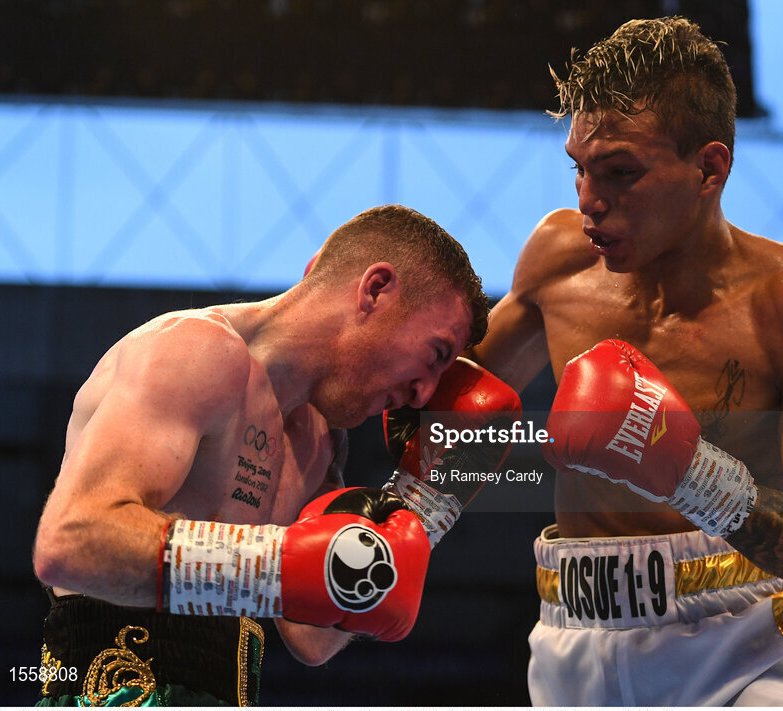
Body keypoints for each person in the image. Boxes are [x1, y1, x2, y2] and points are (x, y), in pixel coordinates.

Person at [466, 17, 783, 706]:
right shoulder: (559, 260)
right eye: (579, 167)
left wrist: (691, 473)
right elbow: (455, 408)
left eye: (621, 172)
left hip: (741, 644)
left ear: (710, 169)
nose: (589, 200)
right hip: (574, 634)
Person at [32, 204, 490, 706]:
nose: (425, 394)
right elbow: (70, 544)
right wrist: (276, 567)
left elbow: (313, 635)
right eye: (437, 354)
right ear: (375, 290)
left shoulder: (319, 440)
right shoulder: (195, 353)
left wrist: (427, 500)